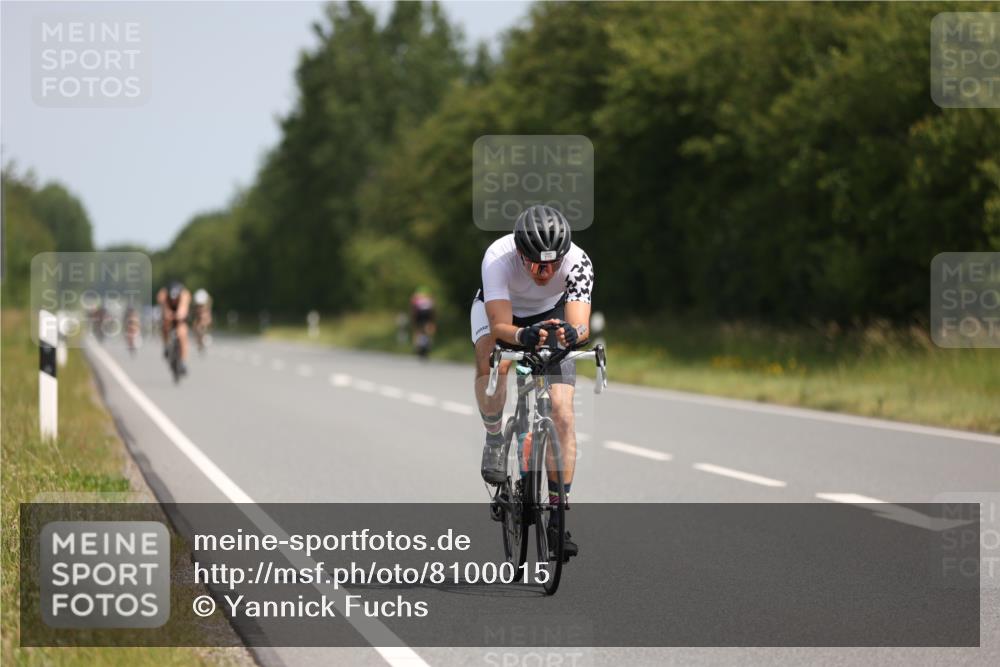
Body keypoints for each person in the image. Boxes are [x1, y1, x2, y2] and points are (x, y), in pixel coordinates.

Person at [470, 204, 594, 558]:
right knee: (493, 358)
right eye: (536, 262)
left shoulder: (579, 261)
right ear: (520, 253)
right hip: (504, 315)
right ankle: (495, 436)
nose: (544, 271)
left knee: (563, 414)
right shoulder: (498, 257)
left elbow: (580, 325)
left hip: (551, 315)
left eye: (553, 263)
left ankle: (557, 515)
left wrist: (570, 334)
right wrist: (522, 336)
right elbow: (499, 326)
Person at [156, 280, 191, 376]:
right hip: (168, 311)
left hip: (179, 313)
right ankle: (166, 345)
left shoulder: (185, 294)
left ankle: (183, 361)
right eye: (172, 298)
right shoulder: (163, 295)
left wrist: (179, 315)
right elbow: (164, 308)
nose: (174, 300)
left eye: (176, 298)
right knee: (165, 325)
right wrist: (168, 314)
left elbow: (183, 309)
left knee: (183, 334)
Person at [409, 286, 436, 358]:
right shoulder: (429, 297)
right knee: (429, 329)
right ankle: (429, 342)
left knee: (417, 330)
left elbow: (413, 310)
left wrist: (413, 321)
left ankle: (417, 345)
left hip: (419, 314)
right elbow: (433, 310)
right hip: (428, 314)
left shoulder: (416, 297)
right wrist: (433, 321)